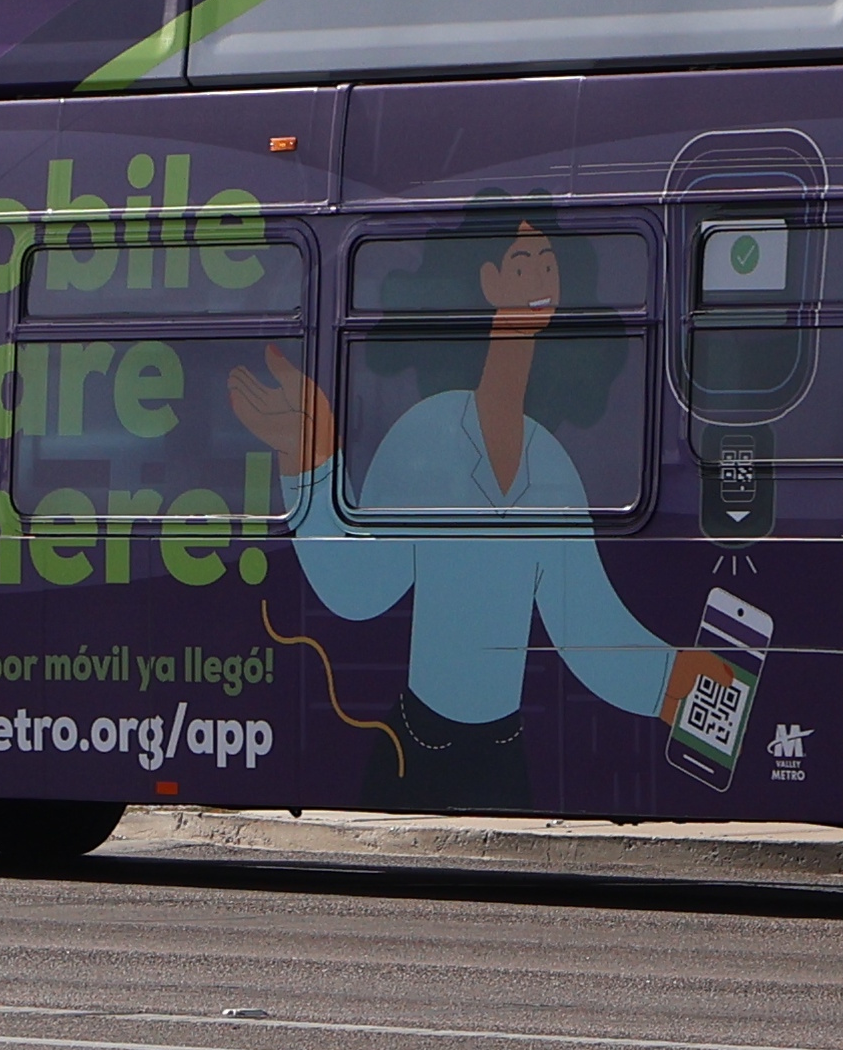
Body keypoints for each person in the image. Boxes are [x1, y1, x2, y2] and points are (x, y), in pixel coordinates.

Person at [229, 205, 732, 810]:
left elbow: (586, 632)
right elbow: (355, 590)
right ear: (491, 282)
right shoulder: (426, 433)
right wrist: (309, 460)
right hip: (412, 747)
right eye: (523, 264)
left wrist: (677, 679)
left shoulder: (553, 468)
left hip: (503, 754)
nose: (540, 279)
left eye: (549, 265)